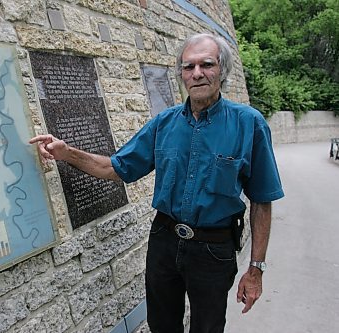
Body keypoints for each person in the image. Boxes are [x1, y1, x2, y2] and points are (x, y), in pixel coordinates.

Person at [29, 33, 284, 333]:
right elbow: (116, 167)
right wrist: (66, 152)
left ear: (222, 70)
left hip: (214, 249)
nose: (197, 73)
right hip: (164, 242)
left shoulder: (248, 124)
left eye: (206, 65)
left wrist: (256, 269)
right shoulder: (164, 123)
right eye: (189, 67)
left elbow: (262, 201)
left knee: (208, 327)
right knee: (161, 326)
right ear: (181, 75)